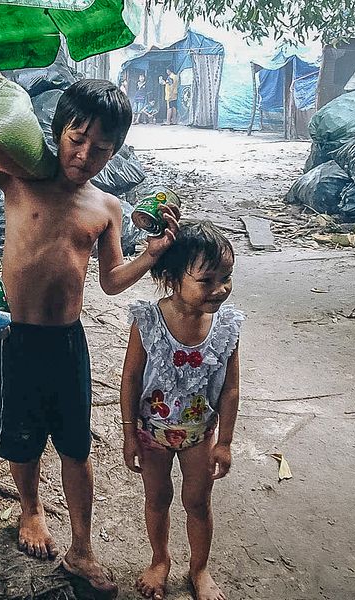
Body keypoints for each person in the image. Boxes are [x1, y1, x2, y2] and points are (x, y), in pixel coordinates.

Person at [0, 79, 179, 597]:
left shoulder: (107, 208)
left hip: (68, 342)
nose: (86, 153)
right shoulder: (21, 178)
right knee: (22, 440)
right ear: (57, 132)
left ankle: (82, 549)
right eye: (77, 138)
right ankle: (30, 511)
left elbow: (111, 280)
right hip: (15, 338)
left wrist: (153, 253)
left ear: (116, 150)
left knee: (77, 448)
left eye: (102, 147)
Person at [119, 222, 243, 600]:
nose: (219, 289)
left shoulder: (226, 327)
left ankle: (200, 569)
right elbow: (131, 379)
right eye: (207, 280)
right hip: (151, 433)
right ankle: (160, 561)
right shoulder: (148, 322)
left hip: (199, 435)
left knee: (197, 502)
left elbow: (231, 389)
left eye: (226, 277)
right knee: (157, 498)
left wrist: (225, 442)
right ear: (172, 279)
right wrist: (128, 434)